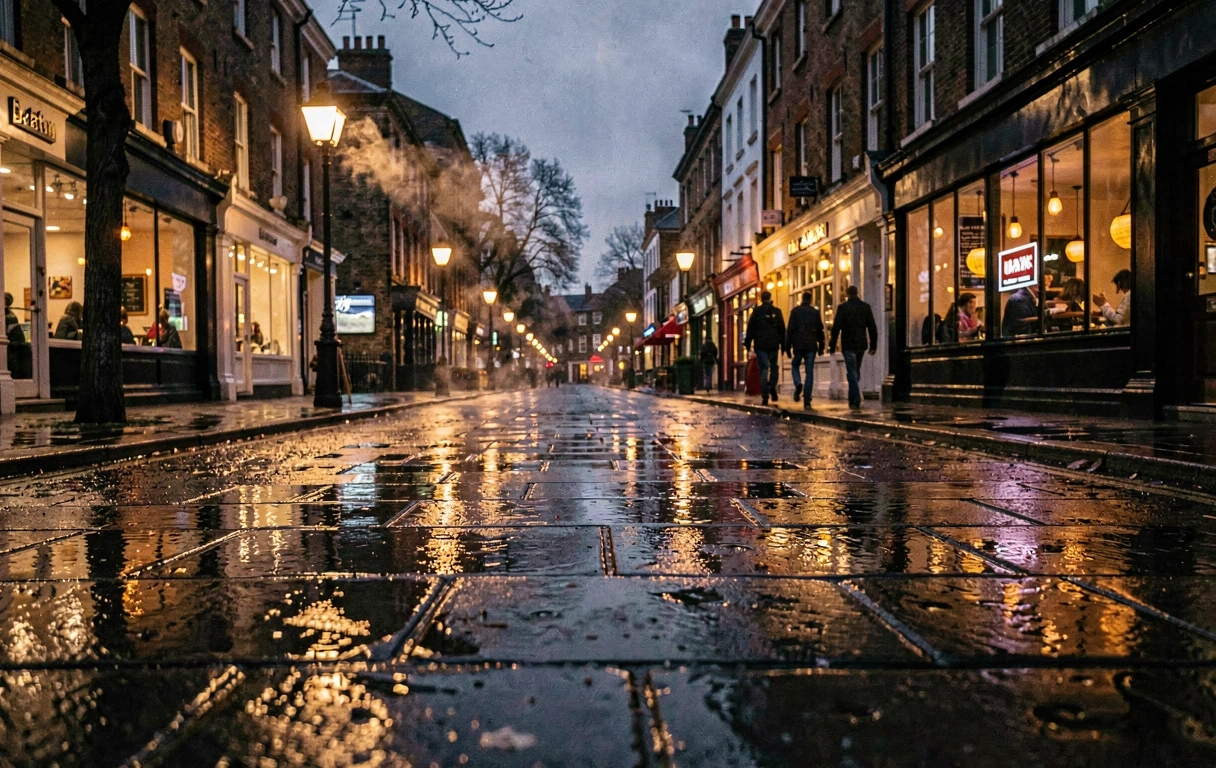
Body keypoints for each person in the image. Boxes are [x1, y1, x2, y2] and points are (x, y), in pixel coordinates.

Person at [829, 285, 878, 410]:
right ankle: (853, 399)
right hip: (861, 344)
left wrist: (832, 345)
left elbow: (836, 327)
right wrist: (873, 345)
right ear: (857, 293)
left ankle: (855, 401)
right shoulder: (865, 307)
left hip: (848, 344)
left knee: (852, 371)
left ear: (847, 294)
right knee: (855, 371)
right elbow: (872, 327)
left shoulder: (843, 307)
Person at [743, 290, 786, 406]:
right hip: (773, 344)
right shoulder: (777, 312)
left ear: (761, 299)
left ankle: (765, 396)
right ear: (770, 298)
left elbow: (750, 329)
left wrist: (748, 343)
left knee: (763, 369)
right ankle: (772, 386)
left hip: (761, 345)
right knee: (774, 366)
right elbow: (782, 330)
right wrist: (783, 345)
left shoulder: (757, 312)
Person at [785, 291, 825, 408]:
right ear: (811, 300)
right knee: (809, 373)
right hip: (811, 345)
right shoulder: (815, 312)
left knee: (795, 365)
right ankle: (807, 399)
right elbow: (820, 330)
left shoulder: (795, 312)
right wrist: (821, 346)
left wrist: (787, 347)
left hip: (798, 345)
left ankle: (798, 384)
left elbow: (790, 330)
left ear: (801, 299)